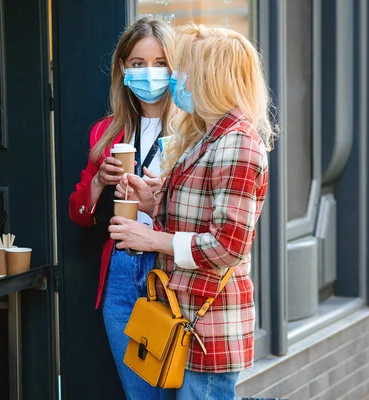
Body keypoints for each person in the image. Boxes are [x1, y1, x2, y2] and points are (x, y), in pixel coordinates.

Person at [110, 24, 274, 400]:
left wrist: (152, 238)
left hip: (209, 327)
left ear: (210, 77)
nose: (176, 80)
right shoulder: (209, 134)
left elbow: (227, 247)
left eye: (184, 71)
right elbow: (200, 212)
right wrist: (152, 201)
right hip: (187, 318)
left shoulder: (237, 142)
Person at [68, 17, 176, 400]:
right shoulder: (108, 131)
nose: (150, 73)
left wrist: (163, 196)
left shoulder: (192, 130)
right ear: (123, 70)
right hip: (121, 269)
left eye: (161, 63)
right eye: (138, 63)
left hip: (171, 271)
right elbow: (78, 213)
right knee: (140, 393)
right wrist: (100, 181)